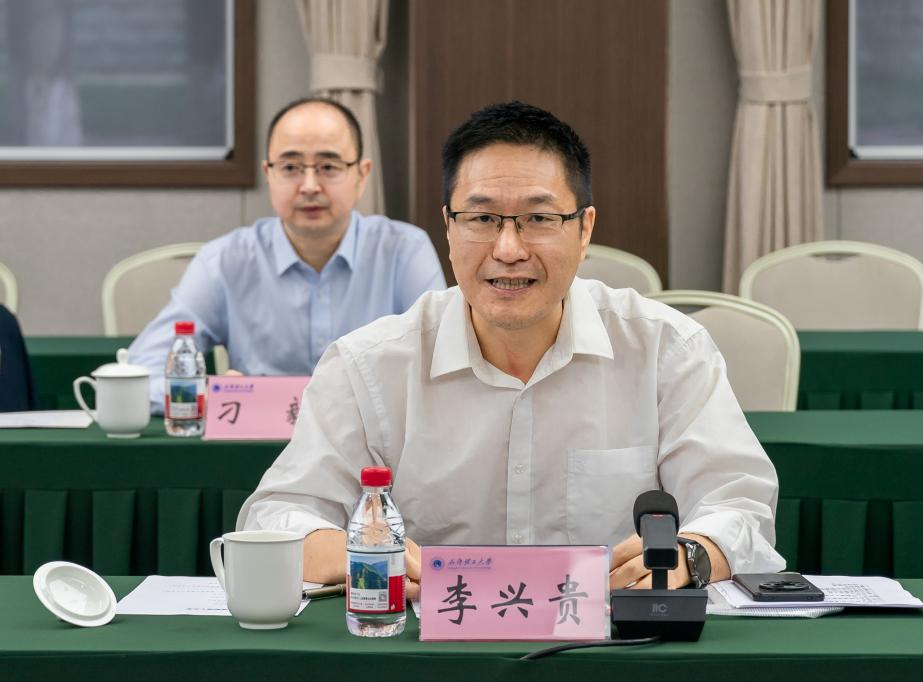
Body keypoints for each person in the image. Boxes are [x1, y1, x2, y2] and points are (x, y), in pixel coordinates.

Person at [238, 102, 784, 597]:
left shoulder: (666, 350)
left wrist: (690, 554)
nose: (508, 249)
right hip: (430, 650)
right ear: (447, 227)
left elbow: (739, 506)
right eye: (481, 219)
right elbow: (278, 515)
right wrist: (350, 551)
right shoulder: (369, 365)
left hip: (609, 646)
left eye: (539, 219)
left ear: (585, 229)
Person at [129, 97, 446, 412]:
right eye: (291, 167)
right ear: (269, 174)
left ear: (362, 176)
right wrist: (206, 396)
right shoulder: (224, 261)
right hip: (260, 439)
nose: (309, 186)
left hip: (372, 437)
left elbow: (440, 366)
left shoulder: (404, 251)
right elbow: (143, 373)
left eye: (328, 167)